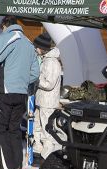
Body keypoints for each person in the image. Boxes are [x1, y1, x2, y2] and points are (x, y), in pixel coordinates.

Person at [0, 16, 39, 169]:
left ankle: (3, 167)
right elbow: (35, 73)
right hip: (20, 93)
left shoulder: (9, 36)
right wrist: (21, 82)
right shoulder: (28, 43)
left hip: (3, 92)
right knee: (13, 130)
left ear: (5, 25)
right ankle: (15, 166)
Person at [32, 32, 62, 161]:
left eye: (36, 47)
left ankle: (46, 155)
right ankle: (38, 150)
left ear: (42, 48)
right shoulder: (46, 60)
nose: (35, 49)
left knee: (46, 129)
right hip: (42, 100)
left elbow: (49, 84)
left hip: (48, 102)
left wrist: (36, 80)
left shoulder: (51, 62)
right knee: (38, 126)